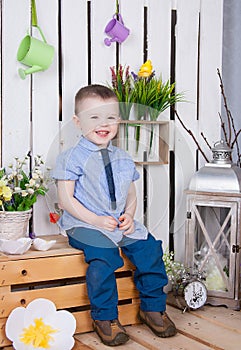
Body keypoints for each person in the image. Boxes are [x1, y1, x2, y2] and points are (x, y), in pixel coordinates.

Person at [52, 84, 177, 346]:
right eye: (94, 117)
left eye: (110, 117)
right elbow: (66, 200)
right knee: (104, 256)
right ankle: (105, 318)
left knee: (150, 249)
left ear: (118, 121)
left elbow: (130, 193)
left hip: (117, 222)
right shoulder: (70, 158)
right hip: (84, 223)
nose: (103, 123)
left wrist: (129, 215)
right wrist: (96, 221)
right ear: (78, 122)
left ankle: (152, 308)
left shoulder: (122, 157)